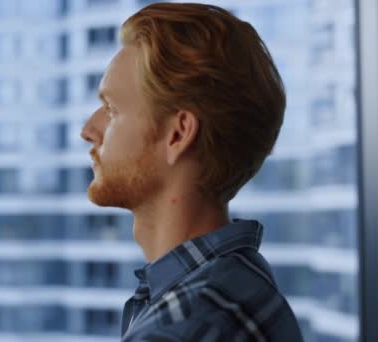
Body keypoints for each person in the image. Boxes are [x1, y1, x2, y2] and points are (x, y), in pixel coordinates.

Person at [80, 2, 303, 341]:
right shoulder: (238, 278)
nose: (88, 130)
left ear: (179, 134)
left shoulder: (186, 326)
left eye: (111, 110)